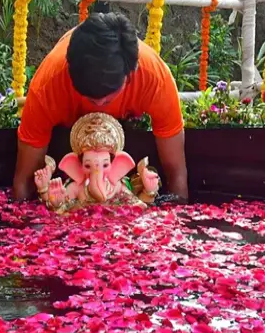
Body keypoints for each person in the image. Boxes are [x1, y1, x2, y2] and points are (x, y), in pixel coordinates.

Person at [12, 12, 189, 202]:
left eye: (107, 100)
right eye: (87, 97)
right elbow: (24, 180)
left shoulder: (154, 79)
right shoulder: (48, 85)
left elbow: (176, 172)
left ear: (131, 73)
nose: (97, 105)